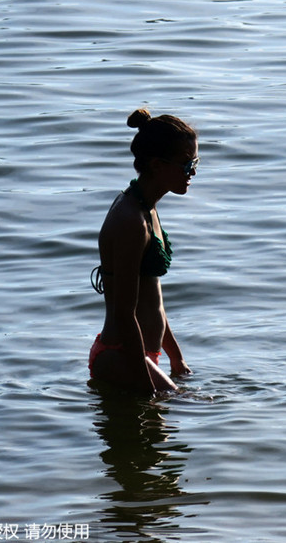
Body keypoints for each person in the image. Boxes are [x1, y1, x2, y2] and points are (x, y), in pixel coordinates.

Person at [89, 109, 199, 394]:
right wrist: (147, 385)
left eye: (195, 162)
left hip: (142, 357)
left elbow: (153, 299)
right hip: (123, 354)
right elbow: (125, 314)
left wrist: (175, 356)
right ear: (157, 164)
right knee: (193, 409)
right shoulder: (131, 222)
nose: (194, 172)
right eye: (187, 165)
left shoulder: (146, 207)